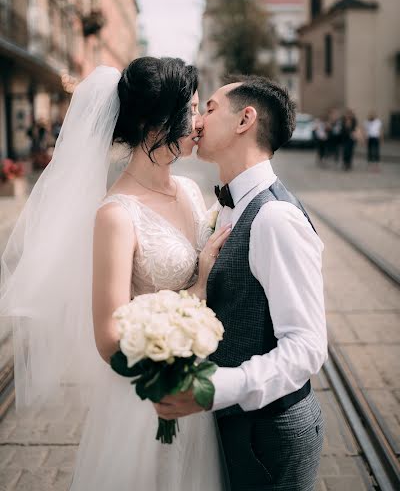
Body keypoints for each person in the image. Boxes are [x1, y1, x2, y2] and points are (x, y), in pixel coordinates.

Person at [0, 57, 230, 490]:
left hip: (204, 383)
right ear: (155, 122)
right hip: (149, 399)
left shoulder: (188, 188)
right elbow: (108, 339)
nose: (199, 123)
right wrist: (197, 290)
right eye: (193, 109)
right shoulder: (116, 215)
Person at [155, 76, 327, 490]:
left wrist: (215, 388)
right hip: (238, 426)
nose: (196, 122)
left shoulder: (274, 217)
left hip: (270, 434)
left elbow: (307, 347)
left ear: (244, 120)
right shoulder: (226, 205)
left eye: (209, 108)